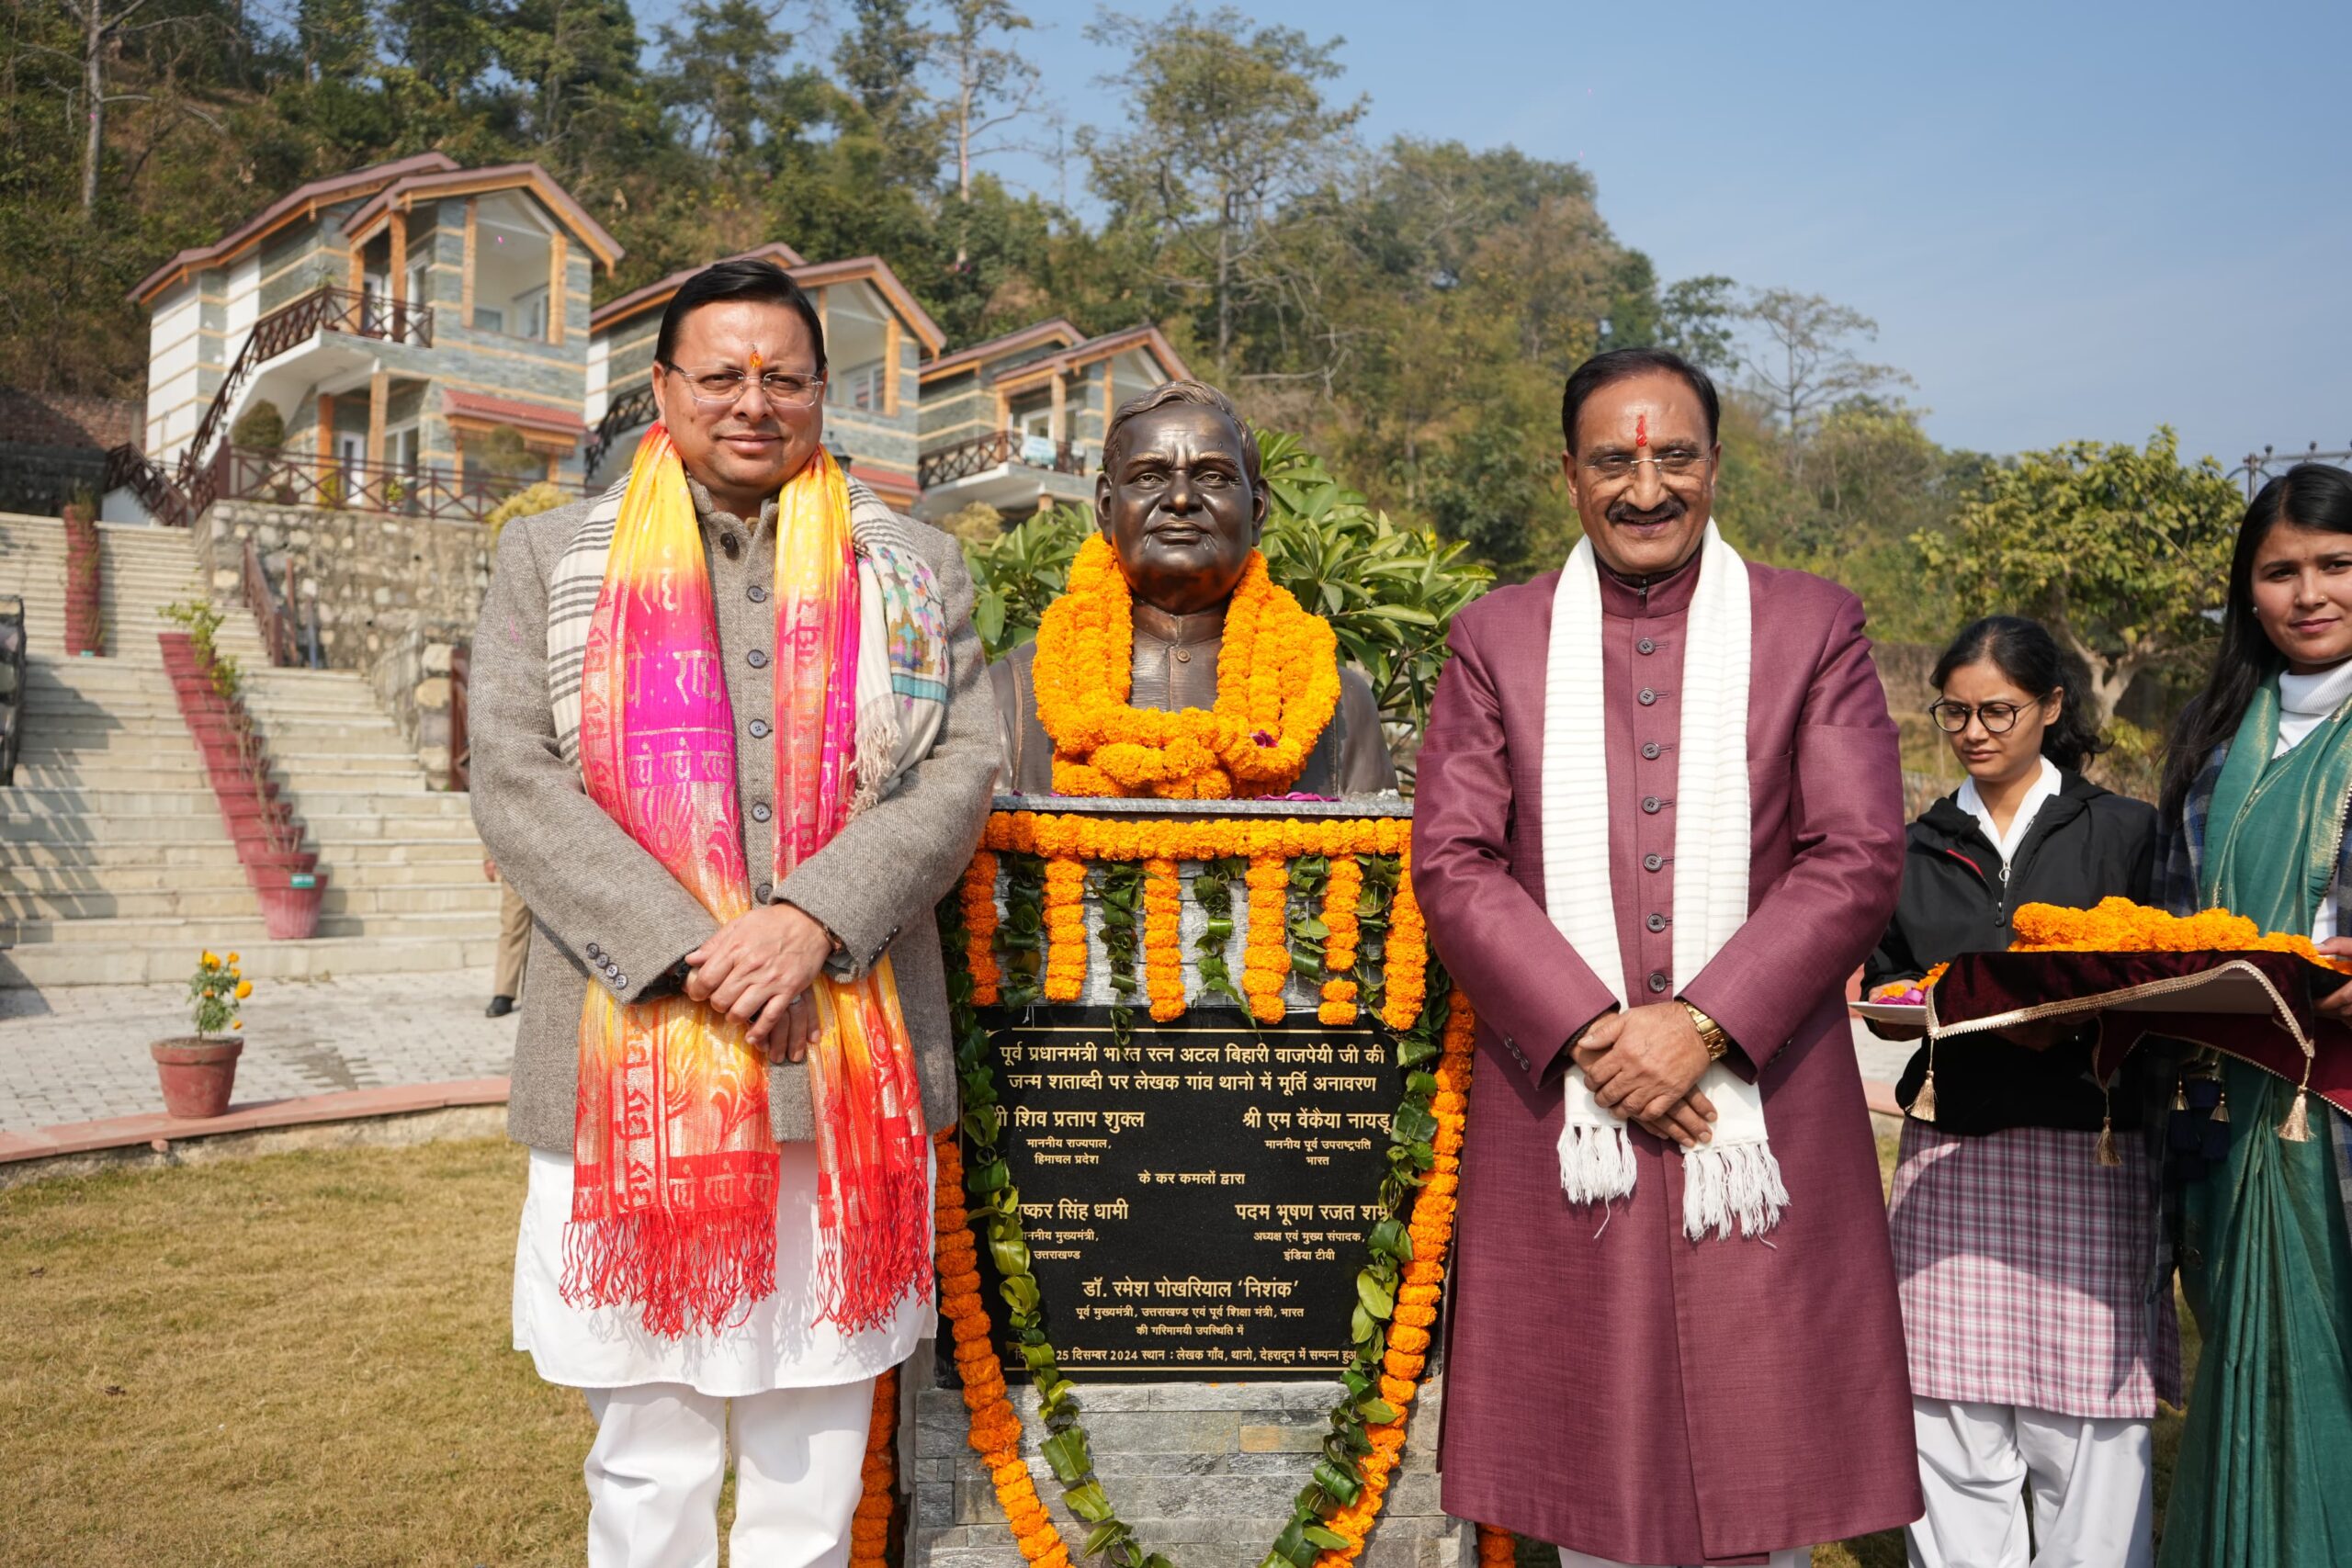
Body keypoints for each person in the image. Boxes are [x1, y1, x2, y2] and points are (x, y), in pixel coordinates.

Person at [468, 256, 998, 1568]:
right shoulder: (553, 555)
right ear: (662, 388)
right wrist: (694, 948)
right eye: (720, 375)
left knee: (811, 1455)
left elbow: (961, 768)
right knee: (646, 1452)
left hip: (846, 1050)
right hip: (627, 1047)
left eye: (784, 377)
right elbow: (514, 775)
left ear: (823, 393)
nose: (753, 402)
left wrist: (813, 919)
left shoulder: (914, 565)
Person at [1415, 345, 1921, 1566]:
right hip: (1567, 1104)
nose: (1647, 489)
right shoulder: (1495, 637)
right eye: (1613, 462)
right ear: (1569, 476)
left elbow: (1856, 851)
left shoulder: (1811, 625)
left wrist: (1698, 1024)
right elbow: (1454, 859)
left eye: (1675, 457)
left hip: (1760, 1096)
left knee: (1765, 1467)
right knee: (1590, 1485)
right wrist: (1596, 1031)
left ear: (1715, 464)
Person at [1866, 615, 2177, 1568]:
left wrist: (2078, 1016)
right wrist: (1913, 1007)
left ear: (2050, 707)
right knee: (1947, 1416)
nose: (1974, 731)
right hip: (1952, 1151)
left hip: (2092, 1147)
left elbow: (2171, 969)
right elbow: (1887, 983)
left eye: (1997, 710)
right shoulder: (1913, 847)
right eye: (1954, 712)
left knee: (2088, 1426)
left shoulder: (2123, 831)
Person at [2151, 462, 2352, 1566]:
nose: (2308, 594)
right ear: (2246, 590)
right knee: (2248, 1358)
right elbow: (2171, 925)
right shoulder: (2215, 736)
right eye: (2280, 572)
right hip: (2226, 1111)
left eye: (2335, 565)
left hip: (2340, 1108)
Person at [989, 380, 1395, 797]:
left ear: (1257, 510)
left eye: (1213, 477)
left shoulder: (1338, 704)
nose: (1181, 499)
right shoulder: (1012, 691)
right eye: (1149, 477)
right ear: (1107, 507)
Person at [483, 856, 528, 1018]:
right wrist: (489, 857)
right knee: (512, 925)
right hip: (515, 860)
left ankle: (535, 991)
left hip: (553, 860)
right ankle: (504, 992)